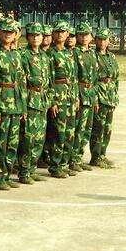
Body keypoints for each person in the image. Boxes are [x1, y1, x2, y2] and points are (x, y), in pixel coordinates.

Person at [0, 18, 27, 190]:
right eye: (5, 32)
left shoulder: (16, 54)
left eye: (11, 32)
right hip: (2, 103)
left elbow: (21, 82)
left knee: (12, 142)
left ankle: (7, 174)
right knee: (0, 142)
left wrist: (23, 106)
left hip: (16, 104)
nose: (8, 35)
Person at [17, 22, 51, 184]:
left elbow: (49, 81)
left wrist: (49, 99)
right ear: (28, 37)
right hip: (30, 100)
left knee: (39, 138)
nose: (36, 38)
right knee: (28, 138)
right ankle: (24, 171)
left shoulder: (45, 57)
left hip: (42, 101)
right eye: (32, 35)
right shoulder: (23, 56)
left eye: (38, 35)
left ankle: (32, 168)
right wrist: (23, 106)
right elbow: (21, 81)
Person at [46, 21, 77, 178]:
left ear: (67, 35)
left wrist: (76, 96)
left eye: (63, 32)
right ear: (53, 34)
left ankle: (64, 163)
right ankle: (55, 165)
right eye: (57, 32)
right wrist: (52, 101)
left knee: (70, 131)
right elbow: (48, 79)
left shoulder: (69, 53)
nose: (60, 34)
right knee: (59, 132)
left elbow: (74, 77)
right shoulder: (50, 54)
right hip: (58, 96)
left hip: (70, 96)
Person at [90, 28, 119, 168]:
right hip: (99, 94)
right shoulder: (93, 56)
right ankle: (95, 156)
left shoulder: (111, 57)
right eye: (99, 39)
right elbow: (91, 80)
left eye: (105, 39)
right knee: (98, 128)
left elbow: (116, 78)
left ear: (109, 41)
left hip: (110, 96)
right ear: (95, 40)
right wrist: (94, 99)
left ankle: (103, 154)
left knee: (107, 128)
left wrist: (115, 96)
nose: (102, 42)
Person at [72, 22, 97, 172]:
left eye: (86, 34)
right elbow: (73, 76)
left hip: (90, 93)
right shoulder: (74, 53)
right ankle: (73, 158)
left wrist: (94, 97)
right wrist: (76, 96)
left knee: (87, 128)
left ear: (91, 36)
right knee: (78, 128)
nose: (83, 37)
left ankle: (79, 156)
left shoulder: (92, 53)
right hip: (80, 92)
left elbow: (94, 77)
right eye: (80, 34)